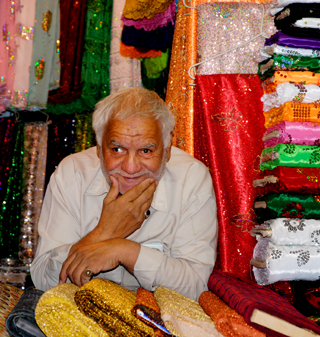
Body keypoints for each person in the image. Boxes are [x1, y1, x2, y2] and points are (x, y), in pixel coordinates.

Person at [31, 87, 218, 301]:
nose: (130, 168)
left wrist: (125, 251)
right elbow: (43, 280)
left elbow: (196, 287)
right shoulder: (73, 174)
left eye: (146, 151)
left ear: (167, 151)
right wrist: (104, 231)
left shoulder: (191, 179)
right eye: (117, 149)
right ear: (99, 149)